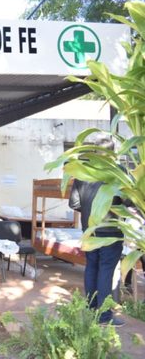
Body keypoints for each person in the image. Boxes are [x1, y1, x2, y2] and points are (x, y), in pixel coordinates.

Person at [69, 134, 125, 327]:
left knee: (92, 267)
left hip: (89, 230)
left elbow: (74, 203)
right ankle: (104, 316)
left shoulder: (81, 171)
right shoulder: (118, 171)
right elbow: (128, 201)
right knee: (106, 271)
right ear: (111, 152)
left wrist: (89, 212)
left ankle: (92, 310)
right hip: (110, 230)